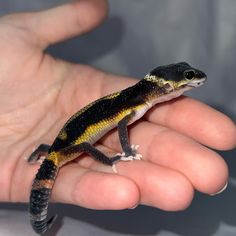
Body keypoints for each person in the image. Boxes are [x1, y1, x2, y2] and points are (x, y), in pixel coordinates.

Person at [0, 0, 235, 213]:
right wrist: (122, 155)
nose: (192, 82)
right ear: (165, 88)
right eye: (187, 78)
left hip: (58, 144)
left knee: (55, 148)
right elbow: (122, 125)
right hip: (65, 149)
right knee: (82, 145)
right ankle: (41, 209)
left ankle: (38, 154)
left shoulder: (141, 98)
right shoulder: (138, 105)